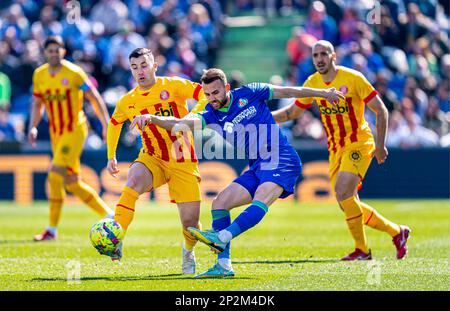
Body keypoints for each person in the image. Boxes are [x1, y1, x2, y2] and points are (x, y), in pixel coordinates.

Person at [130, 68, 344, 277]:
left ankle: (222, 236)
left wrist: (323, 93)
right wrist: (152, 118)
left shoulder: (251, 92)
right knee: (220, 204)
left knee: (260, 200)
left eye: (215, 92)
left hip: (281, 158)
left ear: (226, 87)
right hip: (258, 165)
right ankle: (223, 265)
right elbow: (179, 124)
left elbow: (289, 91)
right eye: (207, 95)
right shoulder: (210, 115)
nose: (212, 98)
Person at [272, 40, 411, 260]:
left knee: (344, 191)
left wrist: (381, 144)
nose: (319, 59)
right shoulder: (313, 82)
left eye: (323, 54)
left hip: (359, 142)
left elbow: (381, 110)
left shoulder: (353, 78)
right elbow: (292, 113)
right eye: (315, 55)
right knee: (347, 202)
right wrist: (264, 119)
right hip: (335, 149)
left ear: (333, 56)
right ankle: (396, 232)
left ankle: (363, 251)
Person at [106, 48, 208, 275]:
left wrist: (195, 115)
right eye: (134, 67)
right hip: (152, 157)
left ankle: (188, 251)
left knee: (190, 225)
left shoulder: (173, 85)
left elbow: (203, 92)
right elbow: (114, 123)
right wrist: (111, 155)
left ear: (154, 66)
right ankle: (117, 237)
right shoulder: (128, 101)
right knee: (132, 182)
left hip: (183, 160)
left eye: (144, 65)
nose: (140, 71)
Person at [28, 36, 113, 241]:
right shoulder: (39, 75)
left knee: (55, 175)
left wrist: (106, 123)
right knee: (72, 182)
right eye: (50, 51)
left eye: (58, 50)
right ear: (45, 53)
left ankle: (51, 229)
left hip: (75, 130)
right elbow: (38, 104)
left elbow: (93, 96)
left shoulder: (74, 73)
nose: (54, 54)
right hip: (56, 133)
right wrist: (32, 126)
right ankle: (110, 215)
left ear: (63, 52)